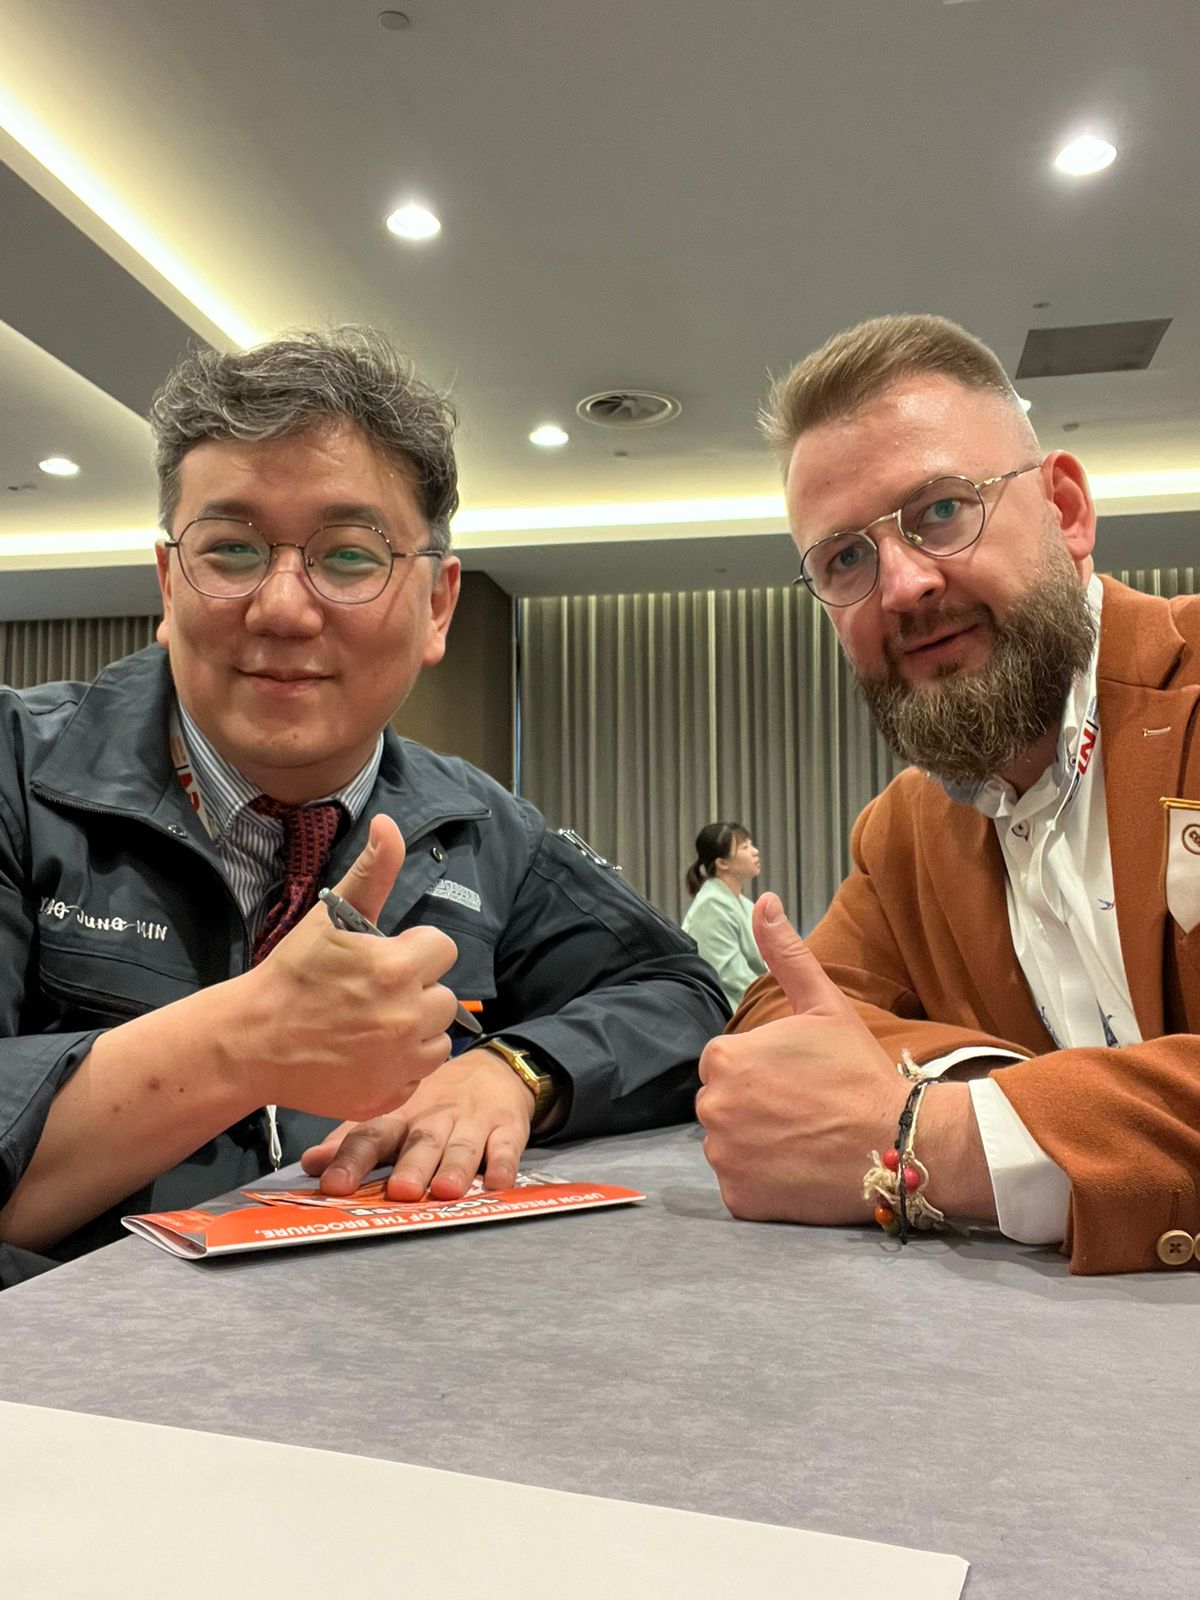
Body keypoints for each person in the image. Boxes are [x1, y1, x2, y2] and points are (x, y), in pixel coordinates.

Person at [0, 326, 728, 1285]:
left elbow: (680, 996)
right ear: (169, 586)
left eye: (349, 557)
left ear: (437, 606)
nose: (283, 608)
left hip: (391, 1346)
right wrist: (247, 1041)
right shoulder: (17, 770)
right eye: (231, 550)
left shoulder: (482, 828)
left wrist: (515, 1071)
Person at [697, 313, 1200, 1276]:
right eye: (845, 559)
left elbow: (886, 1115)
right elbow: (778, 1022)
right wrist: (985, 1088)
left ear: (1065, 511)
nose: (902, 586)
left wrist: (944, 1137)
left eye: (940, 510)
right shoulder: (904, 831)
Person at [681, 823, 766, 1009]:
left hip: (752, 999)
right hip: (726, 1008)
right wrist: (774, 998)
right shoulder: (711, 905)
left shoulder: (744, 904)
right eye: (745, 847)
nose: (755, 851)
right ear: (722, 863)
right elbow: (731, 974)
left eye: (751, 844)